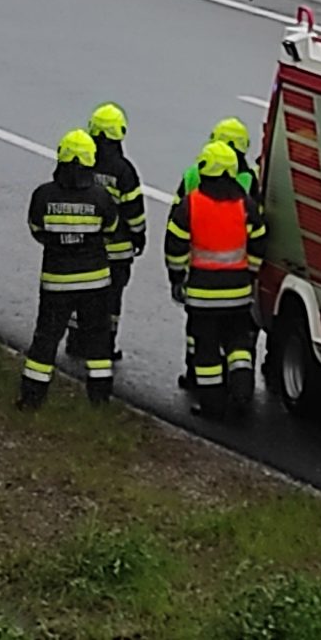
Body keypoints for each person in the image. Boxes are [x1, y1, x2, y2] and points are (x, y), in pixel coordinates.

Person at [165, 139, 264, 419]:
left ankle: (212, 405)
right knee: (238, 344)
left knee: (206, 350)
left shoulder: (190, 205)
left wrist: (176, 278)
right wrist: (251, 273)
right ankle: (242, 393)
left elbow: (175, 246)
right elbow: (259, 241)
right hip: (238, 293)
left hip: (202, 295)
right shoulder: (245, 205)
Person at [20, 128, 116, 409]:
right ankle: (99, 400)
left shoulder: (43, 195)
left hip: (56, 281)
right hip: (96, 283)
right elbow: (109, 230)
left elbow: (37, 230)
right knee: (98, 342)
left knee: (46, 340)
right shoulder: (101, 197)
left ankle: (32, 398)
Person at [87, 103, 146, 357]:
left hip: (87, 248)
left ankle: (78, 342)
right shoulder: (124, 170)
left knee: (85, 295)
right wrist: (139, 235)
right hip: (118, 252)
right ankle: (106, 345)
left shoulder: (82, 163)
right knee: (111, 300)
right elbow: (134, 210)